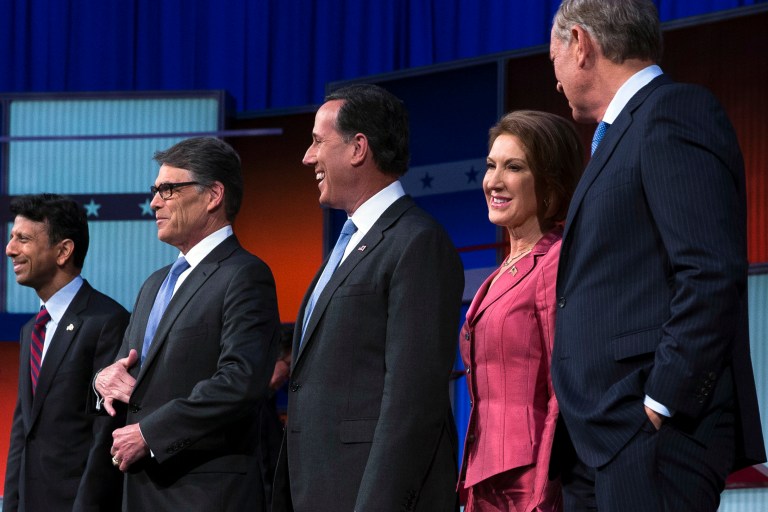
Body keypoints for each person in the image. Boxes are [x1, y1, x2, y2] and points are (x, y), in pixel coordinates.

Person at [548, 1, 766, 510]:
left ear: (580, 44)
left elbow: (710, 271)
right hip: (602, 441)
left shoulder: (673, 111)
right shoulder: (620, 136)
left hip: (652, 440)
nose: (554, 80)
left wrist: (658, 403)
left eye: (552, 56)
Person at [272, 83, 465, 512]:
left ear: (359, 148)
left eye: (318, 142)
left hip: (368, 496)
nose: (307, 157)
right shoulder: (346, 246)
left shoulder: (417, 243)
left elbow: (411, 400)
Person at [93, 137, 282, 511]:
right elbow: (126, 370)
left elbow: (240, 382)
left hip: (203, 493)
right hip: (140, 490)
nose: (154, 203)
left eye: (169, 189)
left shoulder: (245, 275)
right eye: (154, 190)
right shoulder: (154, 283)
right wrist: (101, 381)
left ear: (213, 195)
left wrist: (150, 433)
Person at [459, 111, 583, 512]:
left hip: (526, 483)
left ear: (549, 182)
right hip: (483, 478)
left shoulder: (556, 260)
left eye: (513, 167)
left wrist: (542, 492)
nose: (494, 181)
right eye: (491, 165)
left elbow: (559, 387)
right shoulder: (498, 276)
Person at [4, 194, 128, 512]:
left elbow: (105, 434)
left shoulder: (107, 321)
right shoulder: (31, 329)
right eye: (11, 238)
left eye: (23, 239)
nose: (10, 249)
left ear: (63, 251)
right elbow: (24, 430)